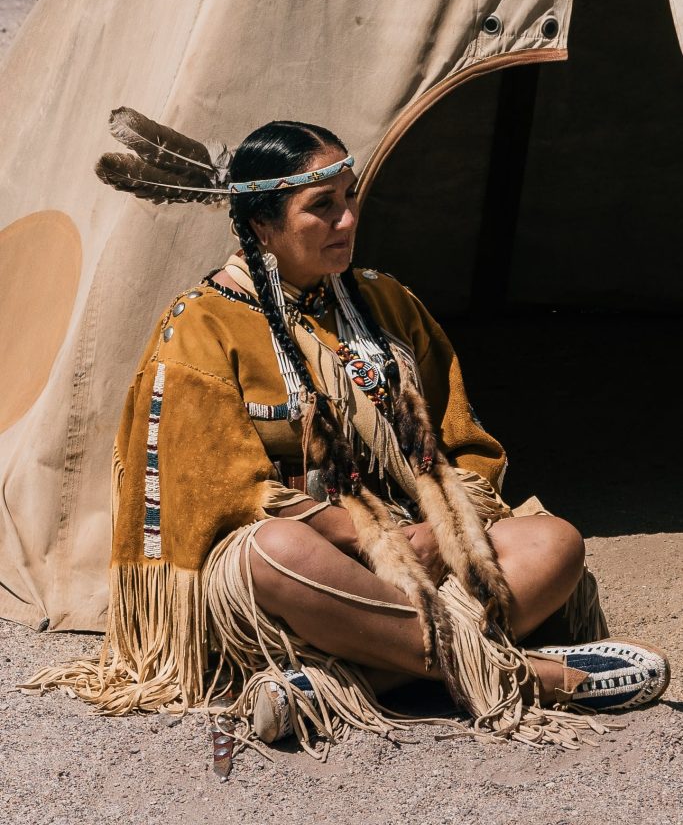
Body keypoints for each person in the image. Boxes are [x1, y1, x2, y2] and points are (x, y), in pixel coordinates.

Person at [28, 109, 670, 759]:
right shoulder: (200, 327)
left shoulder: (386, 304)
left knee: (553, 541)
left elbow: (462, 447)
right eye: (321, 207)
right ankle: (528, 674)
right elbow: (220, 497)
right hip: (313, 566)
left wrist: (436, 532)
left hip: (423, 548)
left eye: (349, 198)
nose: (346, 221)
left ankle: (341, 683)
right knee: (270, 552)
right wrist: (369, 541)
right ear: (261, 223)